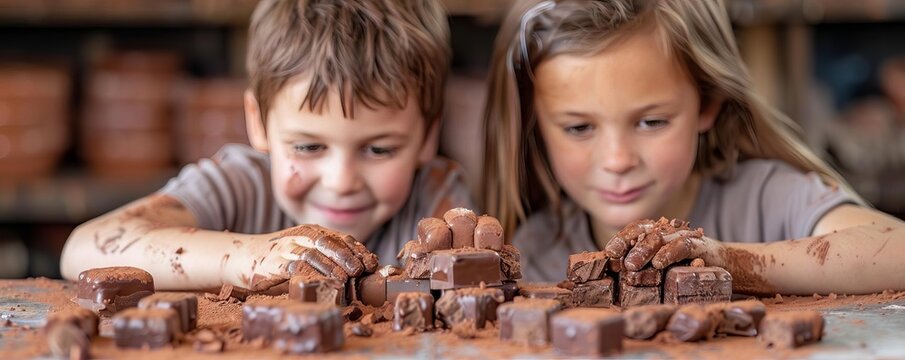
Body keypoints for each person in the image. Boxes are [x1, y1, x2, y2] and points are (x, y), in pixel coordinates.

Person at [481, 0, 905, 294]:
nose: (617, 160)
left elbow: (895, 249)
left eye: (651, 121)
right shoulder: (537, 250)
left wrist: (727, 262)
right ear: (536, 126)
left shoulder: (768, 200)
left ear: (707, 104)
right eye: (578, 128)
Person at [60, 0, 473, 291]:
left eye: (379, 150)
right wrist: (248, 257)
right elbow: (82, 249)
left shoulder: (436, 199)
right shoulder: (238, 183)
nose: (341, 181)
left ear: (428, 136)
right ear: (258, 122)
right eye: (309, 147)